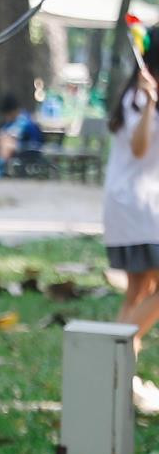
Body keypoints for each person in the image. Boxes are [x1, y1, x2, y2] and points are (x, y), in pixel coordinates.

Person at [101, 41, 159, 414]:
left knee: (139, 291)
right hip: (137, 209)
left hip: (137, 207)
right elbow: (140, 149)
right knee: (146, 290)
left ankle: (122, 376)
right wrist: (151, 100)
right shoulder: (139, 99)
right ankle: (113, 357)